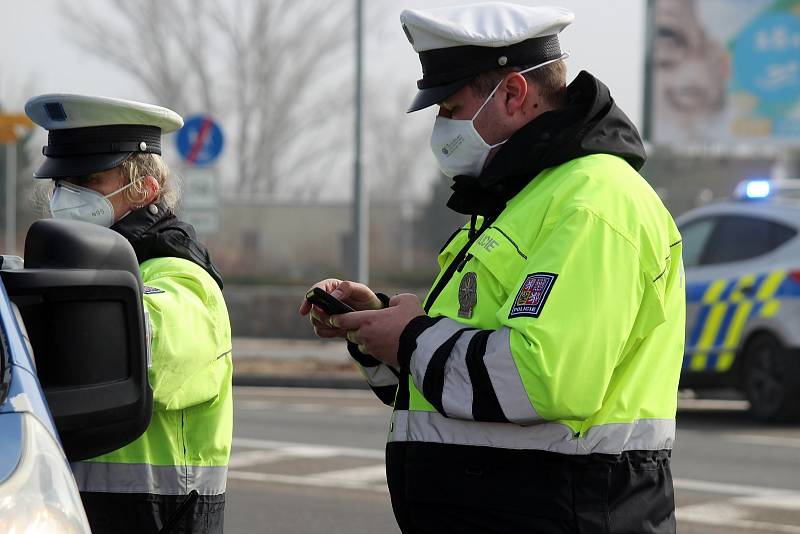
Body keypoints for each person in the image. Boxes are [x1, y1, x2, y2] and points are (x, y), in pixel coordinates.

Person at [300, 3, 685, 533]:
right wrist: (378, 329)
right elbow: (454, 388)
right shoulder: (519, 201)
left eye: (450, 107)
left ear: (513, 93)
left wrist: (410, 336)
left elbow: (539, 380)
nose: (441, 126)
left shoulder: (593, 203)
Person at [25, 94, 233, 534]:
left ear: (144, 188)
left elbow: (146, 342)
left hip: (152, 516)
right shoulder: (76, 272)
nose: (66, 196)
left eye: (89, 180)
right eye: (61, 182)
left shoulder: (180, 277)